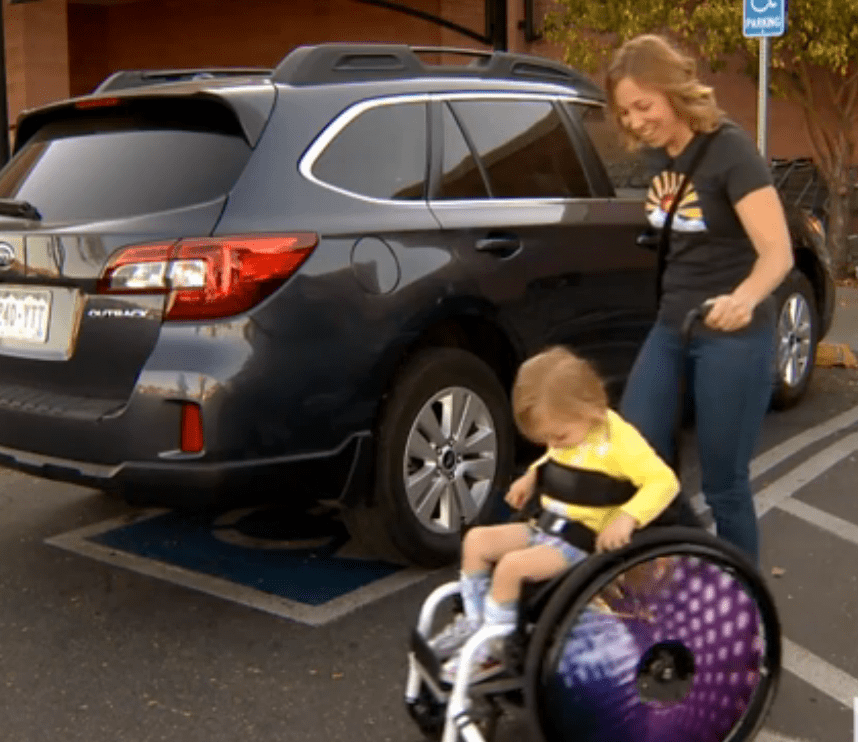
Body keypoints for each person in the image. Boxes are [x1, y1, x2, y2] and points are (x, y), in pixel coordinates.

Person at [607, 35, 794, 566]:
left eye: (644, 106)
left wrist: (745, 299)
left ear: (674, 91)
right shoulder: (655, 155)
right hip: (672, 327)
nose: (636, 121)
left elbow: (777, 253)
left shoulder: (729, 151)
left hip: (733, 336)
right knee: (640, 461)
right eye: (625, 113)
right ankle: (683, 566)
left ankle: (741, 604)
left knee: (724, 483)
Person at [430, 346, 682, 683]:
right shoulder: (568, 433)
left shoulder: (620, 442)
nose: (554, 442)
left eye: (558, 435)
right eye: (546, 437)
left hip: (580, 541)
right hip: (547, 526)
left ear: (590, 408)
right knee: (476, 541)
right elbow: (555, 456)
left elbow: (664, 481)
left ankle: (497, 650)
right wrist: (531, 475)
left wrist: (628, 516)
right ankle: (476, 626)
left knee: (511, 568)